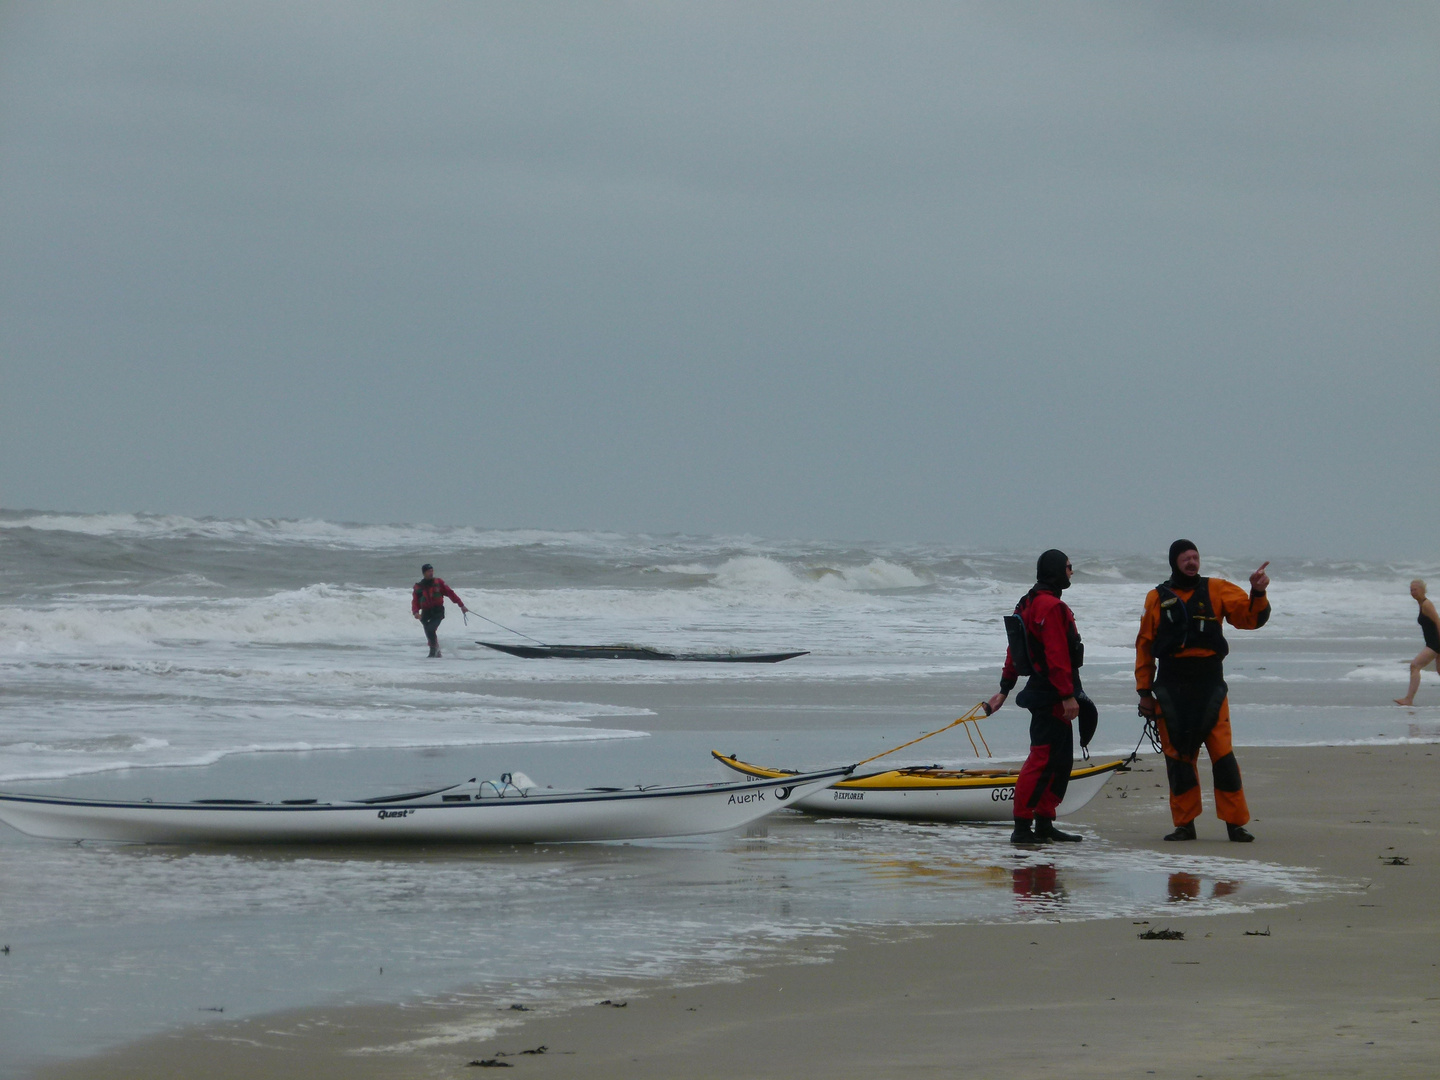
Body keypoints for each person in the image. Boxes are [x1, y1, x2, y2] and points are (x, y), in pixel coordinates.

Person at [1135, 540, 1270, 842]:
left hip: (1210, 686)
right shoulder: (1156, 598)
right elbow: (1144, 646)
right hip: (1171, 688)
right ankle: (1185, 825)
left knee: (1223, 756)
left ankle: (1236, 824)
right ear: (1174, 562)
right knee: (1178, 758)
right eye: (1186, 558)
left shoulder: (1218, 589)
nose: (1192, 562)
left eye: (1195, 557)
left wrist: (1258, 592)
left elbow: (1251, 618)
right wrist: (1144, 691)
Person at [986, 549, 1089, 844]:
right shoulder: (1050, 606)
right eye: (1068, 567)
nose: (1071, 571)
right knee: (1044, 759)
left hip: (1043, 689)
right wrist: (1067, 695)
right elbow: (1057, 655)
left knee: (1057, 760)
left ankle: (1044, 824)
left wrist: (1005, 688)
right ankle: (1022, 827)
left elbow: (1014, 652)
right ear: (1057, 570)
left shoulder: (1027, 602)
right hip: (1052, 693)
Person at [1394, 579, 1440, 706]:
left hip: (1435, 643)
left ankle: (1408, 699)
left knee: (1414, 666)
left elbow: (1438, 621)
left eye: (1415, 589)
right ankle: (1408, 699)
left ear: (1423, 590)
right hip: (1433, 643)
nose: (1413, 592)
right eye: (1411, 590)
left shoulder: (1426, 604)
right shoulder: (1421, 604)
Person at [411, 563, 468, 658]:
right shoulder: (419, 587)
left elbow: (450, 593)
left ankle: (434, 651)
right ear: (424, 573)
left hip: (438, 611)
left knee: (430, 629)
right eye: (429, 571)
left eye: (432, 571)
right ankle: (436, 652)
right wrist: (416, 612)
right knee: (429, 632)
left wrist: (461, 605)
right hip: (425, 613)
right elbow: (415, 601)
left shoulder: (439, 582)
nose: (431, 573)